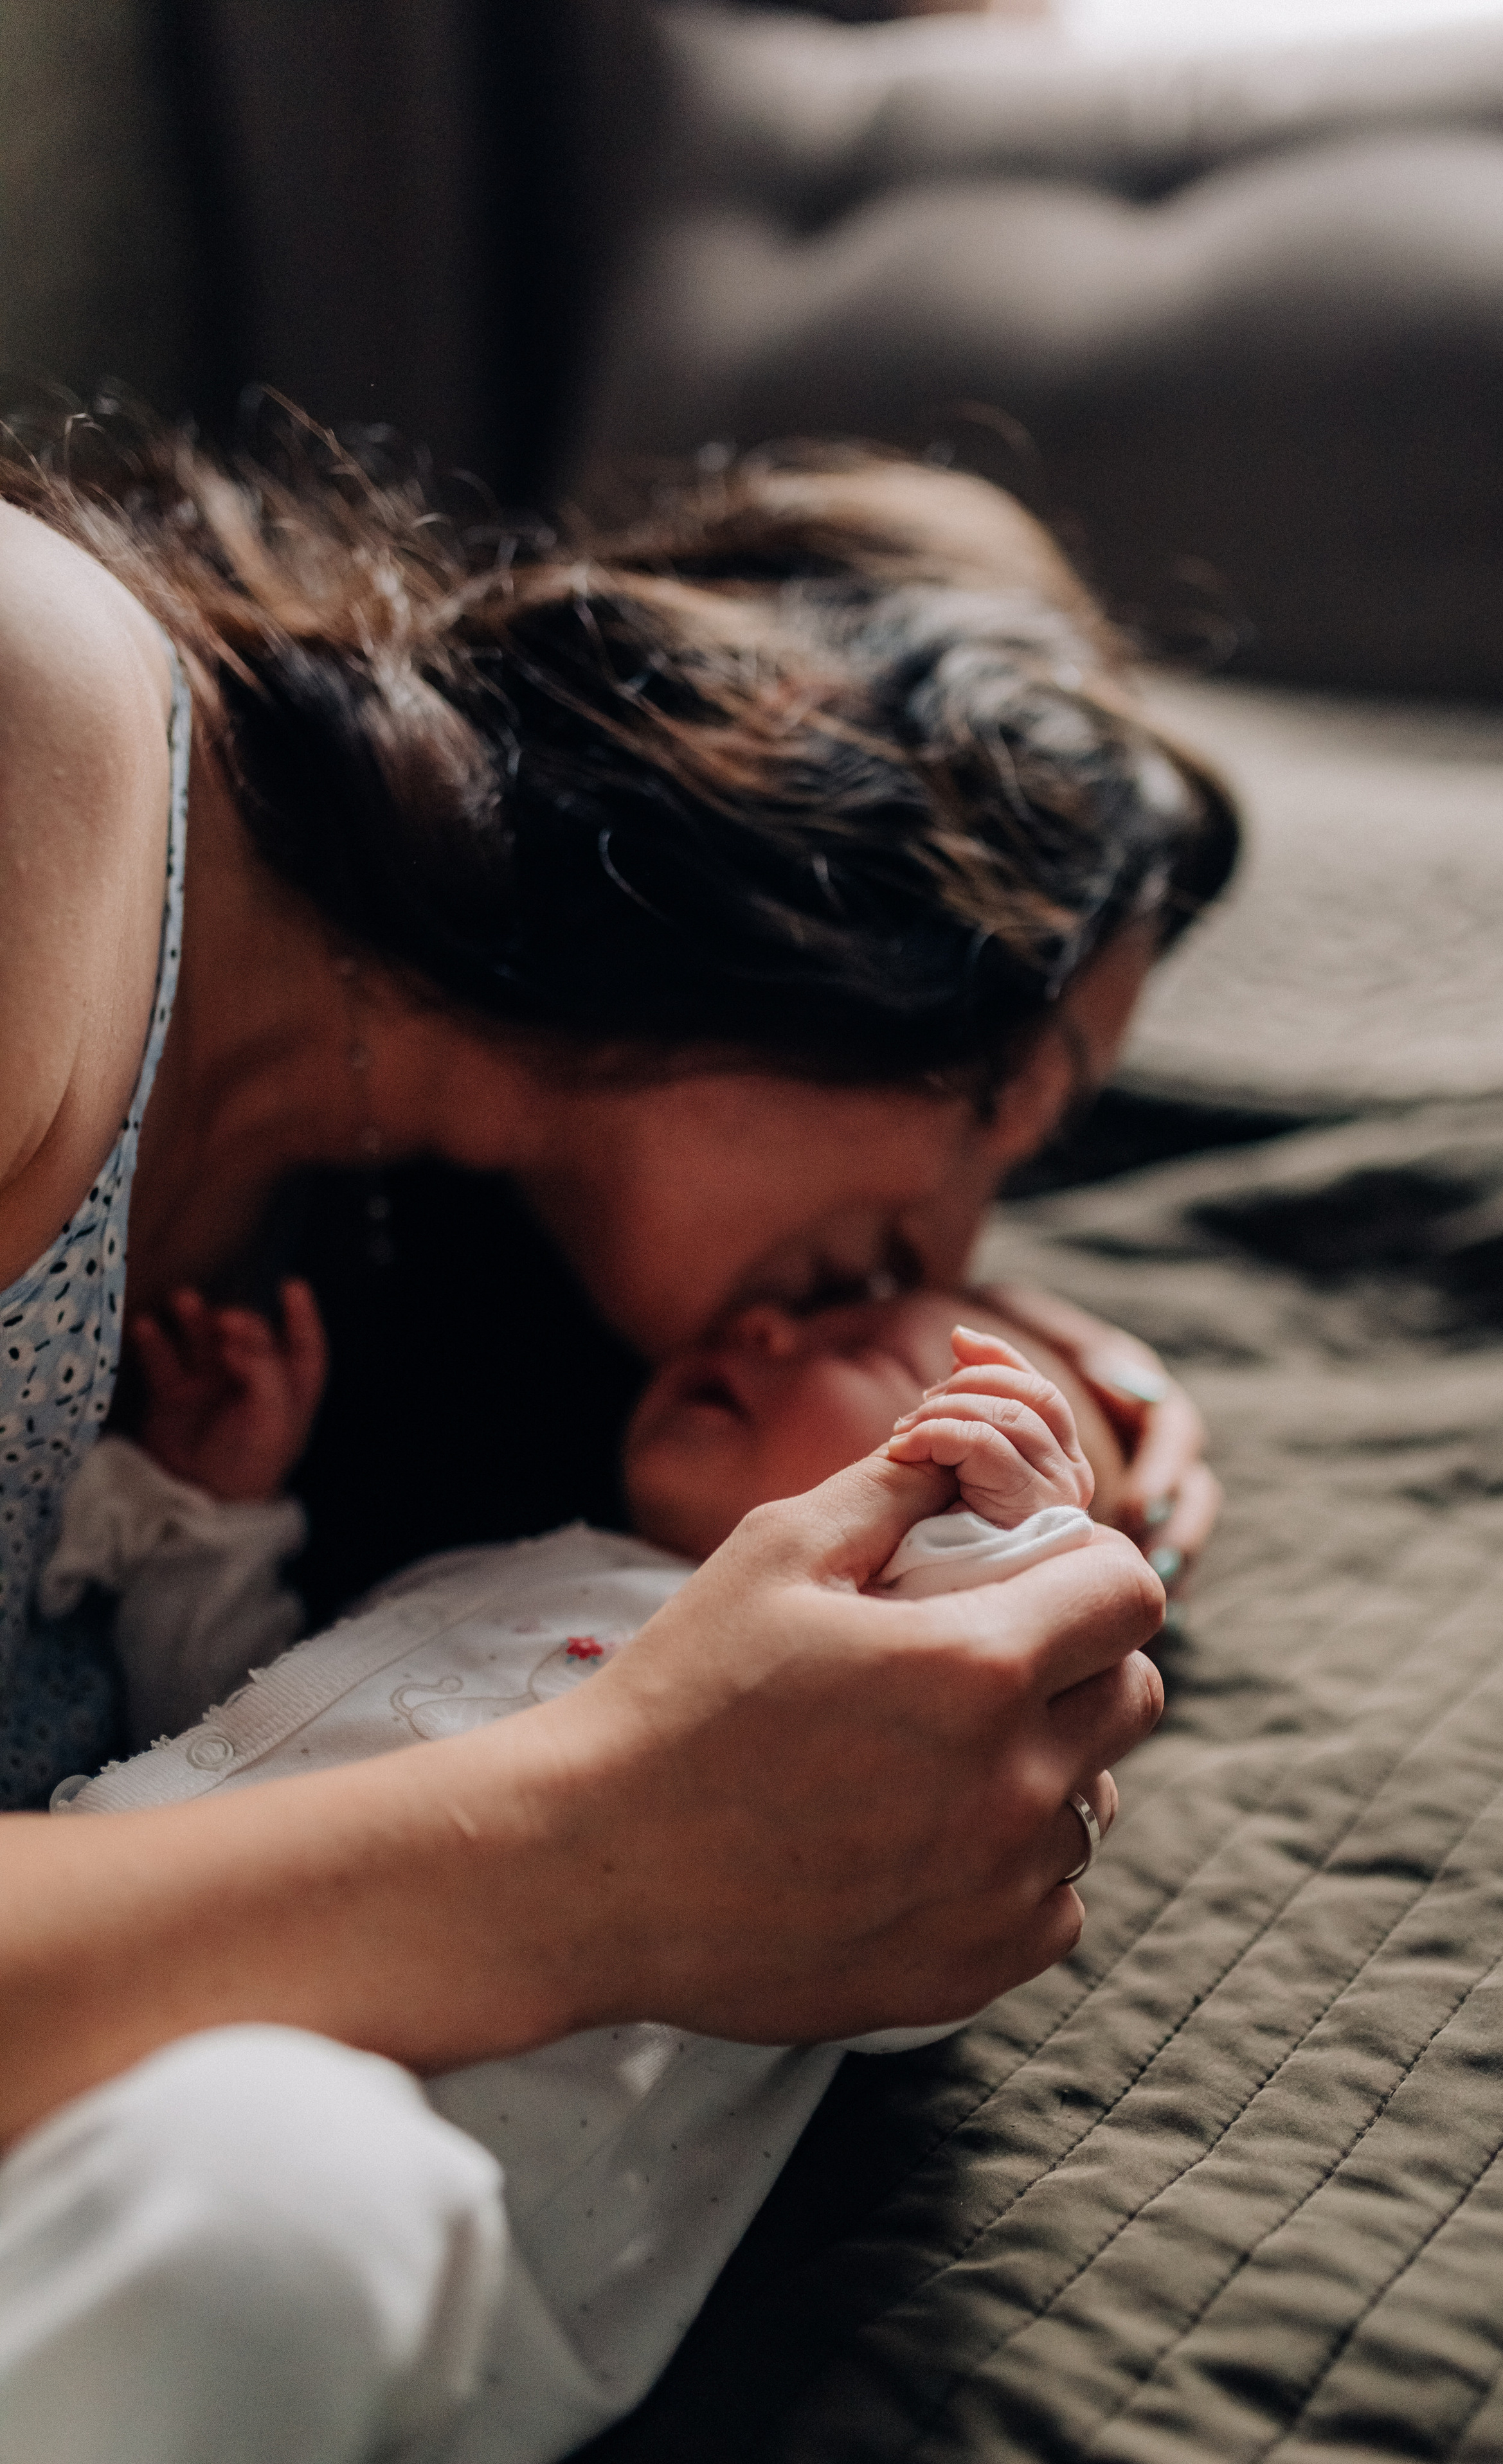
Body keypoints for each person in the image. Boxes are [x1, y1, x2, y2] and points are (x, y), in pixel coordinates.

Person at [0, 416, 1230, 2210]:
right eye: (991, 1113)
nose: (944, 1249)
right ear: (832, 854)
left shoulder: (359, 1227)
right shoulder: (38, 732)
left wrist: (974, 1383)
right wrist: (595, 1851)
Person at [26, 1280, 1129, 2460]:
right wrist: (218, 1523)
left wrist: (1019, 1544)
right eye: (792, 1305)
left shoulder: (865, 1742)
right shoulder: (511, 1563)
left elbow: (955, 1860)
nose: (760, 1322)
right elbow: (238, 1734)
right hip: (90, 1986)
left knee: (279, 2191)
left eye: (869, 1346)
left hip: (372, 2211)